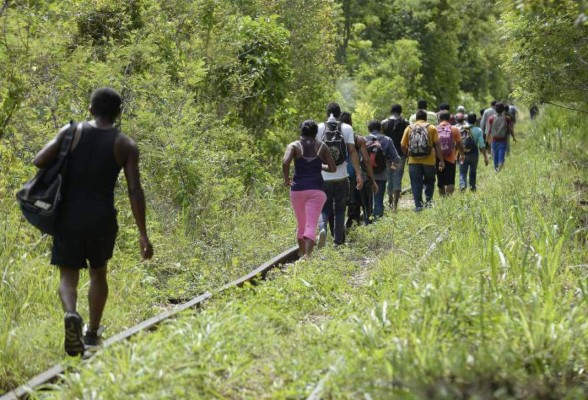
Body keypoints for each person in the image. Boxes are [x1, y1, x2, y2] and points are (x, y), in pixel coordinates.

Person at [33, 87, 153, 356]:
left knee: (68, 275)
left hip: (68, 217)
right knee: (98, 273)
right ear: (118, 113)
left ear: (90, 109)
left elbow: (39, 159)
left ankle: (71, 314)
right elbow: (135, 190)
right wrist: (143, 234)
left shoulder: (71, 131)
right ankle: (91, 334)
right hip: (101, 220)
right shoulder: (125, 144)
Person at [283, 120, 336, 258]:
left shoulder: (294, 146)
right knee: (311, 224)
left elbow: (285, 162)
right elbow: (332, 168)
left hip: (297, 190)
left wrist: (286, 179)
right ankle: (308, 256)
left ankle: (302, 254)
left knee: (301, 225)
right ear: (315, 133)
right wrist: (319, 166)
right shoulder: (322, 146)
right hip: (316, 190)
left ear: (301, 132)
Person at [316, 102, 363, 247]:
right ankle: (338, 242)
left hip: (324, 176)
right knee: (340, 209)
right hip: (342, 176)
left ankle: (322, 228)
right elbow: (352, 151)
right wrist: (358, 174)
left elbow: (315, 152)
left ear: (327, 113)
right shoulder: (346, 128)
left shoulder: (319, 128)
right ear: (339, 114)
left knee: (324, 208)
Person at [401, 110, 445, 211]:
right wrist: (441, 160)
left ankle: (418, 206)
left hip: (413, 161)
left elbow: (403, 145)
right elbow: (437, 145)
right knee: (430, 182)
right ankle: (429, 203)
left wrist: (408, 154)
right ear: (425, 118)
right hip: (429, 161)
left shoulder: (409, 128)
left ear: (416, 118)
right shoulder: (432, 127)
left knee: (416, 184)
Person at [341, 112, 378, 229]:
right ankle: (367, 226)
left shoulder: (335, 138)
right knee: (365, 205)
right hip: (356, 176)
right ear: (351, 123)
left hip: (339, 176)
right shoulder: (358, 139)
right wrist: (372, 180)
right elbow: (367, 161)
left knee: (343, 206)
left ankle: (344, 230)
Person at [365, 120, 400, 220]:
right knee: (379, 200)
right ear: (381, 129)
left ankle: (367, 222)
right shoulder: (387, 139)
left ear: (369, 129)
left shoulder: (364, 139)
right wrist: (391, 162)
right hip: (381, 175)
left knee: (368, 200)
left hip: (366, 175)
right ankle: (377, 222)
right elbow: (396, 158)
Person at [381, 104, 409, 212]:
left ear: (391, 111)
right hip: (400, 155)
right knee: (398, 178)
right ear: (400, 111)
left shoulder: (384, 123)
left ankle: (389, 202)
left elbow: (383, 140)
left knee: (389, 178)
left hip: (387, 156)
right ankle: (395, 206)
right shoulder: (405, 123)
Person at [436, 110, 465, 196]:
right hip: (451, 158)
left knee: (440, 181)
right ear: (450, 119)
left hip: (438, 158)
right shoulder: (454, 129)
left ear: (439, 118)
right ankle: (448, 200)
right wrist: (462, 155)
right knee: (450, 182)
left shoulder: (435, 129)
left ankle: (442, 199)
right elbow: (459, 144)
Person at [459, 113, 489, 191]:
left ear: (466, 120)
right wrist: (485, 157)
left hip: (463, 152)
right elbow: (482, 145)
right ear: (475, 121)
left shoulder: (461, 128)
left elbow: (457, 142)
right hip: (474, 153)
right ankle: (472, 187)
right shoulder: (478, 130)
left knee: (462, 171)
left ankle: (462, 184)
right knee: (473, 170)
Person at [487, 102, 516, 172]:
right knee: (501, 156)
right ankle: (499, 168)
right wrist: (513, 137)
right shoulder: (506, 118)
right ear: (503, 109)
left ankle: (496, 170)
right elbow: (510, 129)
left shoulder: (491, 118)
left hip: (494, 140)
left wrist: (486, 139)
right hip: (503, 140)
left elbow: (489, 130)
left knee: (495, 156)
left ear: (495, 109)